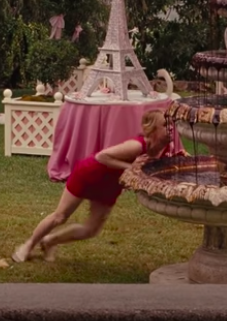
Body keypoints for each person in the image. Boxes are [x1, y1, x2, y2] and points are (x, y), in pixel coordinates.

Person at [11, 109, 173, 263]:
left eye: (171, 124)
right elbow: (102, 156)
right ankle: (28, 245)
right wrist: (130, 168)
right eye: (165, 125)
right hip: (90, 174)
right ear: (153, 129)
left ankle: (50, 241)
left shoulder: (163, 150)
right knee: (60, 216)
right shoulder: (137, 146)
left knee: (91, 230)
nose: (170, 128)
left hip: (110, 186)